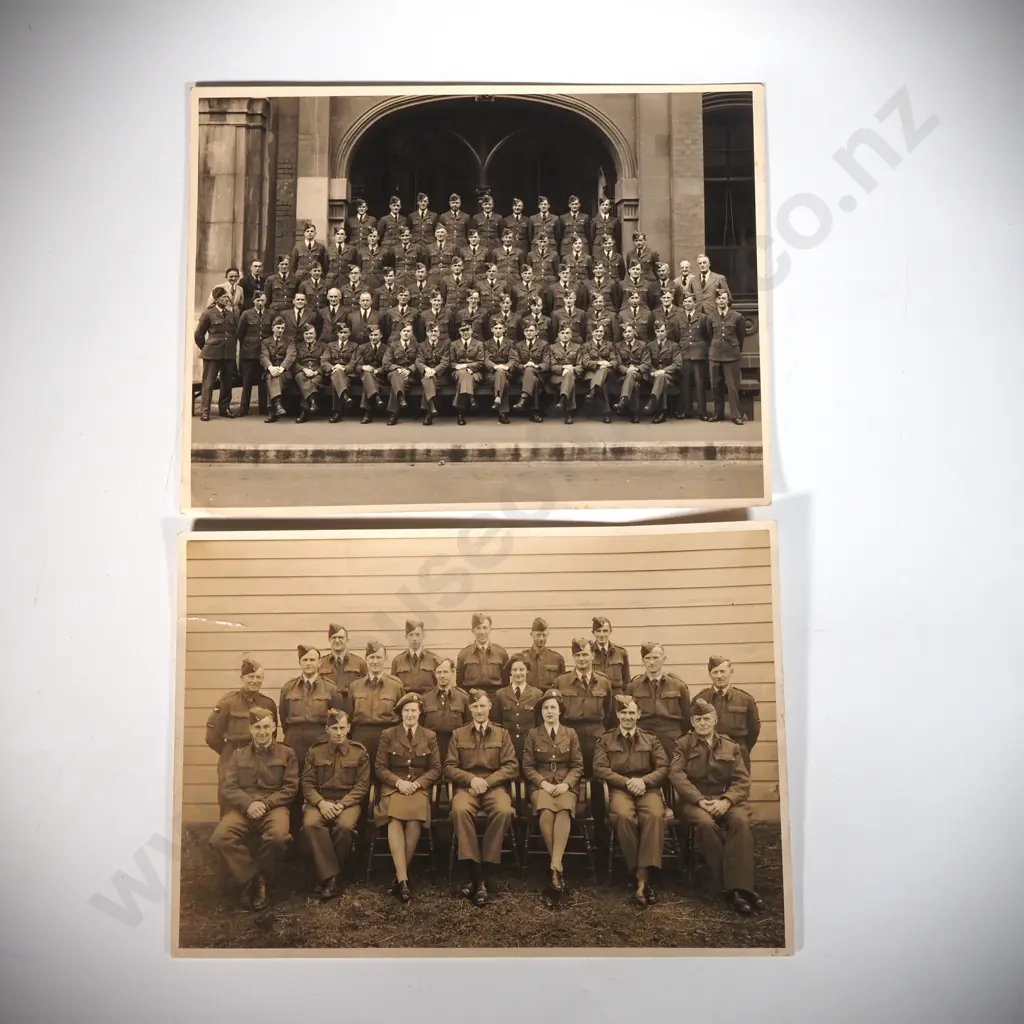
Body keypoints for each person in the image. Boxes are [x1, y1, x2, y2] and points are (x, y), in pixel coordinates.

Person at [668, 698, 762, 914]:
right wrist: (700, 800)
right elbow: (676, 774)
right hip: (694, 801)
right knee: (705, 824)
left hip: (724, 798)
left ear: (715, 720)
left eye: (706, 719)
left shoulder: (730, 745)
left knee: (741, 821)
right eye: (698, 719)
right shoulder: (682, 744)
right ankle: (733, 889)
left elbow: (742, 780)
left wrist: (726, 800)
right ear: (692, 722)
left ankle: (742, 887)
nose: (702, 723)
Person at [210, 705, 298, 911]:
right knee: (219, 838)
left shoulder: (287, 753)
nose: (262, 732)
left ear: (274, 728)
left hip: (274, 807)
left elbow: (291, 788)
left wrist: (265, 804)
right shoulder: (238, 755)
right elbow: (229, 787)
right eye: (257, 727)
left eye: (266, 727)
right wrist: (248, 804)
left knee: (278, 837)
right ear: (250, 729)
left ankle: (263, 878)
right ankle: (254, 877)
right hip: (243, 808)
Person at [443, 689, 519, 906]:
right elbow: (449, 767)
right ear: (469, 709)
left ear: (490, 707)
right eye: (475, 706)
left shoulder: (502, 734)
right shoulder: (459, 734)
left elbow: (511, 766)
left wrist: (488, 781)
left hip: (493, 787)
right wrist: (471, 780)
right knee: (459, 810)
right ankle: (478, 873)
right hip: (468, 788)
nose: (479, 710)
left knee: (504, 810)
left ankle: (481, 870)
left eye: (482, 706)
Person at [592, 695, 668, 907]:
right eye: (624, 713)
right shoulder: (605, 739)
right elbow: (599, 768)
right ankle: (640, 873)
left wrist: (644, 781)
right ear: (617, 715)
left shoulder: (651, 739)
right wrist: (626, 782)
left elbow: (663, 767)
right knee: (623, 816)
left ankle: (641, 875)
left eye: (632, 713)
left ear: (639, 715)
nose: (627, 717)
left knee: (654, 816)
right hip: (620, 789)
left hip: (646, 788)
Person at [374, 692, 442, 902]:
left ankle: (399, 877)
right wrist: (399, 783)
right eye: (406, 710)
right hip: (394, 788)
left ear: (420, 713)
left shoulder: (429, 736)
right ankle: (403, 879)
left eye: (414, 710)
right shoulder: (388, 734)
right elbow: (380, 767)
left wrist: (417, 784)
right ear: (400, 713)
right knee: (394, 818)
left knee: (414, 819)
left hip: (418, 788)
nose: (410, 714)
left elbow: (436, 768)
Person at [301, 707, 370, 901]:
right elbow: (307, 783)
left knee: (345, 826)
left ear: (348, 728)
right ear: (327, 729)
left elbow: (362, 785)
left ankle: (328, 876)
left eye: (342, 728)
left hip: (348, 802)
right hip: (320, 801)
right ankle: (334, 877)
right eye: (334, 728)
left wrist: (342, 804)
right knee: (311, 824)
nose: (338, 733)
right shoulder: (315, 751)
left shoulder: (359, 752)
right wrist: (321, 803)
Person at [522, 689, 584, 895]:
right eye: (546, 708)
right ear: (541, 712)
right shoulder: (533, 734)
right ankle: (558, 867)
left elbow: (577, 765)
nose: (549, 711)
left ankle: (555, 866)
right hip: (541, 785)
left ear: (560, 711)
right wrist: (543, 783)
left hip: (565, 784)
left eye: (553, 708)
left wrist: (566, 784)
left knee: (564, 810)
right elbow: (528, 766)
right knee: (546, 813)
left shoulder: (570, 734)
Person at [205, 656, 278, 814]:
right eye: (251, 677)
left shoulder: (268, 704)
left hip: (260, 757)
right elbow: (212, 737)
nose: (255, 681)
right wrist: (230, 751)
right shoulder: (228, 702)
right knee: (228, 798)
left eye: (259, 677)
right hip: (233, 755)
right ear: (242, 678)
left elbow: (273, 734)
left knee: (259, 796)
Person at [554, 638, 614, 776]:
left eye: (585, 654)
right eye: (578, 655)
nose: (581, 659)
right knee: (569, 776)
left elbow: (608, 713)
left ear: (593, 655)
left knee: (597, 777)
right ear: (573, 656)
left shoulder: (603, 682)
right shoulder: (561, 681)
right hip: (569, 737)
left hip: (596, 738)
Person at [626, 642, 691, 759]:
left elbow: (687, 718)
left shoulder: (678, 686)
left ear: (664, 659)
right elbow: (627, 715)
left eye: (655, 658)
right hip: (642, 738)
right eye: (647, 658)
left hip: (671, 738)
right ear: (642, 660)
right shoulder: (633, 686)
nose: (651, 662)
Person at [695, 655, 761, 770]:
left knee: (739, 782)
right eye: (715, 672)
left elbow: (754, 730)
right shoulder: (701, 699)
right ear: (710, 674)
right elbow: (694, 729)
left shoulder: (745, 699)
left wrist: (740, 748)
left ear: (731, 672)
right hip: (709, 756)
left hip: (737, 756)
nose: (719, 676)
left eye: (722, 671)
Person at [346, 639, 404, 761]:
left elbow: (402, 715)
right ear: (366, 659)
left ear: (385, 658)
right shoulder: (355, 686)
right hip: (361, 736)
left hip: (388, 736)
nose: (375, 661)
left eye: (379, 657)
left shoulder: (395, 685)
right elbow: (349, 716)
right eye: (372, 657)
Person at [193, 286, 237, 421]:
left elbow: (234, 333)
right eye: (223, 297)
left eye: (227, 297)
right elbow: (198, 335)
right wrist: (206, 348)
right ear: (217, 299)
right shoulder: (208, 314)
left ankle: (224, 409)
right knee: (209, 383)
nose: (226, 299)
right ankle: (205, 411)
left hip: (228, 353)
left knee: (227, 383)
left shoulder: (231, 314)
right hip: (212, 354)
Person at [491, 654, 544, 761]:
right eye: (515, 670)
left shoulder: (537, 694)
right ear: (510, 672)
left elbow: (540, 725)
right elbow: (496, 723)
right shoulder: (500, 694)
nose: (518, 673)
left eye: (521, 669)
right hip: (507, 747)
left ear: (527, 671)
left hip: (529, 747)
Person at [708, 290, 747, 425]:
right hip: (715, 355)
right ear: (716, 301)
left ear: (728, 300)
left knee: (732, 387)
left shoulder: (737, 317)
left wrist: (735, 349)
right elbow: (709, 334)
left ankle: (736, 415)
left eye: (724, 298)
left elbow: (741, 336)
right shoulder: (711, 317)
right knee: (715, 386)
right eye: (719, 298)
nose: (721, 301)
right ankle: (718, 413)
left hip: (731, 356)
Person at [420, 658, 472, 755]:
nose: (442, 676)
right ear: (434, 674)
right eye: (439, 672)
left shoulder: (463, 697)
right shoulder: (425, 698)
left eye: (445, 672)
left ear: (452, 672)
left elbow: (468, 726)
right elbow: (420, 728)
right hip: (431, 748)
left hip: (456, 747)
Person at [235, 289, 272, 417]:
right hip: (249, 354)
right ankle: (243, 408)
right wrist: (246, 348)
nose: (260, 303)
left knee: (263, 382)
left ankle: (263, 408)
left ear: (266, 301)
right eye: (258, 300)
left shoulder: (270, 314)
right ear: (253, 301)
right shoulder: (246, 314)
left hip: (264, 354)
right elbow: (240, 334)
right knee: (247, 382)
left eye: (262, 300)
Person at [675, 294, 711, 420]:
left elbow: (708, 335)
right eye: (685, 301)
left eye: (689, 301)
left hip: (699, 355)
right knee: (685, 384)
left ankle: (702, 412)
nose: (687, 304)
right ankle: (687, 410)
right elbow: (676, 335)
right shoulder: (678, 318)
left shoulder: (703, 318)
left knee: (700, 384)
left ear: (695, 303)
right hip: (684, 354)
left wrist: (703, 349)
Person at [319, 322, 359, 423]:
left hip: (347, 374)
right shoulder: (330, 345)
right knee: (336, 376)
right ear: (337, 333)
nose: (343, 335)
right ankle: (345, 396)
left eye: (345, 332)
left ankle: (337, 412)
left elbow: (353, 362)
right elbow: (324, 361)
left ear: (349, 333)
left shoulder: (354, 346)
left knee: (335, 382)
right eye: (341, 332)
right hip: (333, 372)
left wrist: (343, 368)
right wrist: (333, 367)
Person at [390, 618, 442, 694]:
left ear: (423, 636)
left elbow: (440, 686)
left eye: (417, 634)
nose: (414, 639)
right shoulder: (397, 661)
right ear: (406, 637)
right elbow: (393, 687)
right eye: (411, 635)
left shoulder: (433, 659)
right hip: (405, 699)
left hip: (427, 699)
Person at [382, 320, 419, 426]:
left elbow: (420, 361)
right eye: (404, 331)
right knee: (396, 376)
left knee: (397, 383)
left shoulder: (417, 346)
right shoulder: (392, 346)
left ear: (412, 333)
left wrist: (409, 370)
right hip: (395, 373)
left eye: (408, 331)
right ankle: (401, 399)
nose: (406, 333)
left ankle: (393, 414)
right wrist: (398, 368)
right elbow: (386, 363)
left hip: (410, 376)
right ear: (400, 333)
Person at [643, 320, 681, 424]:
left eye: (662, 331)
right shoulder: (650, 345)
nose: (660, 334)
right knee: (661, 380)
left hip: (669, 376)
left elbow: (677, 363)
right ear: (655, 332)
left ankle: (653, 403)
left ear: (666, 332)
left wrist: (663, 371)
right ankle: (661, 412)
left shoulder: (673, 345)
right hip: (653, 376)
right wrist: (652, 371)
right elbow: (647, 362)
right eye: (658, 331)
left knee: (662, 378)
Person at [448, 320, 485, 426]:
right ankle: (471, 398)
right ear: (459, 332)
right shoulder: (454, 344)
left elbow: (481, 362)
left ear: (471, 330)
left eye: (467, 330)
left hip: (475, 373)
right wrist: (460, 368)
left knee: (463, 380)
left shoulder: (479, 344)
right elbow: (451, 362)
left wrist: (467, 366)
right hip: (458, 372)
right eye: (462, 330)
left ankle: (460, 414)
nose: (465, 332)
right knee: (463, 375)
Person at [512, 321, 550, 422]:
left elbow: (546, 364)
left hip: (539, 374)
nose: (529, 333)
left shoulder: (544, 344)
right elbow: (515, 364)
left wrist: (536, 366)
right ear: (523, 332)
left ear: (536, 331)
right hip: (522, 376)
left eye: (531, 330)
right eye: (526, 330)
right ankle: (535, 412)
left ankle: (523, 398)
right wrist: (525, 366)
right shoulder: (518, 345)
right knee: (533, 379)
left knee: (533, 375)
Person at [547, 323, 584, 425]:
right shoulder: (552, 348)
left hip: (572, 375)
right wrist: (564, 368)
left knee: (569, 378)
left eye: (567, 333)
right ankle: (569, 413)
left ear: (571, 335)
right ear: (558, 335)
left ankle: (563, 399)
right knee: (570, 382)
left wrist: (572, 369)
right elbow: (552, 366)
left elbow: (580, 366)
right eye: (562, 333)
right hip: (557, 378)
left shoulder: (577, 347)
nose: (565, 335)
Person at [613, 323, 651, 424]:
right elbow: (617, 363)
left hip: (639, 374)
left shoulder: (643, 345)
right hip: (623, 375)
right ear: (622, 334)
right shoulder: (617, 346)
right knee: (634, 384)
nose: (627, 334)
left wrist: (636, 369)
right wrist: (627, 370)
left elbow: (646, 363)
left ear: (634, 332)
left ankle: (623, 401)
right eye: (625, 332)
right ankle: (635, 414)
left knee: (632, 376)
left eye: (629, 331)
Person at [259, 315, 294, 423]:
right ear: (272, 328)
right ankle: (277, 405)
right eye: (278, 328)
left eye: (282, 328)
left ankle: (272, 410)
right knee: (271, 376)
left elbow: (291, 356)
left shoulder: (289, 341)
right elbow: (263, 356)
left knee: (273, 377)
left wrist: (282, 368)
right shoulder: (265, 342)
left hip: (285, 373)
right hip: (270, 371)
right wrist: (270, 368)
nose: (280, 330)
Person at [483, 320, 518, 424]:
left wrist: (506, 366)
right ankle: (503, 414)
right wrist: (495, 366)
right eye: (496, 328)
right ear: (492, 330)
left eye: (500, 328)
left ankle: (498, 397)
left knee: (501, 373)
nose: (498, 330)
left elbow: (514, 359)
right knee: (504, 383)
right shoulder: (486, 344)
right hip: (491, 374)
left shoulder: (510, 343)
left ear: (504, 329)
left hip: (506, 372)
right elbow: (485, 360)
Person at [580, 322, 616, 423]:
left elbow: (615, 360)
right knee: (601, 386)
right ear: (592, 333)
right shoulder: (586, 346)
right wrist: (599, 363)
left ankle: (592, 391)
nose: (599, 333)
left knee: (603, 370)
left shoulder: (609, 345)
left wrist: (608, 364)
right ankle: (606, 413)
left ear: (604, 332)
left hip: (607, 372)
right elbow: (586, 362)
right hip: (592, 373)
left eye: (601, 331)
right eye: (596, 331)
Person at [516, 616, 565, 690]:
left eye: (544, 635)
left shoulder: (556, 659)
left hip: (549, 696)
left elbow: (562, 685)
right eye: (538, 635)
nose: (541, 638)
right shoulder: (521, 658)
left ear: (548, 635)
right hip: (528, 696)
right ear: (531, 635)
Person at [318, 623, 367, 696]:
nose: (337, 641)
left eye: (340, 637)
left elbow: (366, 688)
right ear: (329, 640)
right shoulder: (321, 663)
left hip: (351, 702)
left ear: (347, 640)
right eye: (334, 638)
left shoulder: (359, 663)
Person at [415, 321, 448, 425]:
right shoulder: (421, 345)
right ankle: (431, 410)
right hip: (426, 373)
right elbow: (418, 361)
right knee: (428, 379)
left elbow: (445, 361)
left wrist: (434, 370)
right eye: (431, 331)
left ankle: (430, 409)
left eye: (435, 331)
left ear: (439, 333)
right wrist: (426, 369)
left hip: (440, 376)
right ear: (427, 333)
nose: (433, 333)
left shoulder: (445, 344)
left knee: (428, 381)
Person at [291, 321, 324, 423]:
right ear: (303, 335)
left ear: (315, 334)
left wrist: (316, 372)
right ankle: (312, 401)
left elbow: (325, 362)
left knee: (313, 382)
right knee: (299, 377)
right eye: (306, 334)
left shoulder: (323, 346)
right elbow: (294, 362)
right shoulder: (297, 346)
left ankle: (304, 412)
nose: (309, 336)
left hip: (317, 373)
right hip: (302, 372)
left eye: (311, 333)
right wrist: (304, 369)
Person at [355, 323, 388, 424]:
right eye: (371, 335)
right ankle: (376, 398)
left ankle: (367, 413)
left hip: (380, 377)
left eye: (376, 335)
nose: (373, 337)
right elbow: (357, 366)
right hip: (365, 375)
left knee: (368, 380)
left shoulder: (387, 348)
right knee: (367, 375)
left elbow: (388, 364)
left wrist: (378, 370)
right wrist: (363, 367)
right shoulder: (362, 347)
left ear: (381, 335)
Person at [590, 616, 631, 694]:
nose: (602, 634)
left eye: (605, 631)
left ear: (610, 631)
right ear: (593, 632)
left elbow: (626, 681)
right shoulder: (588, 653)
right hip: (596, 697)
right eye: (598, 631)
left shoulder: (621, 652)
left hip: (616, 697)